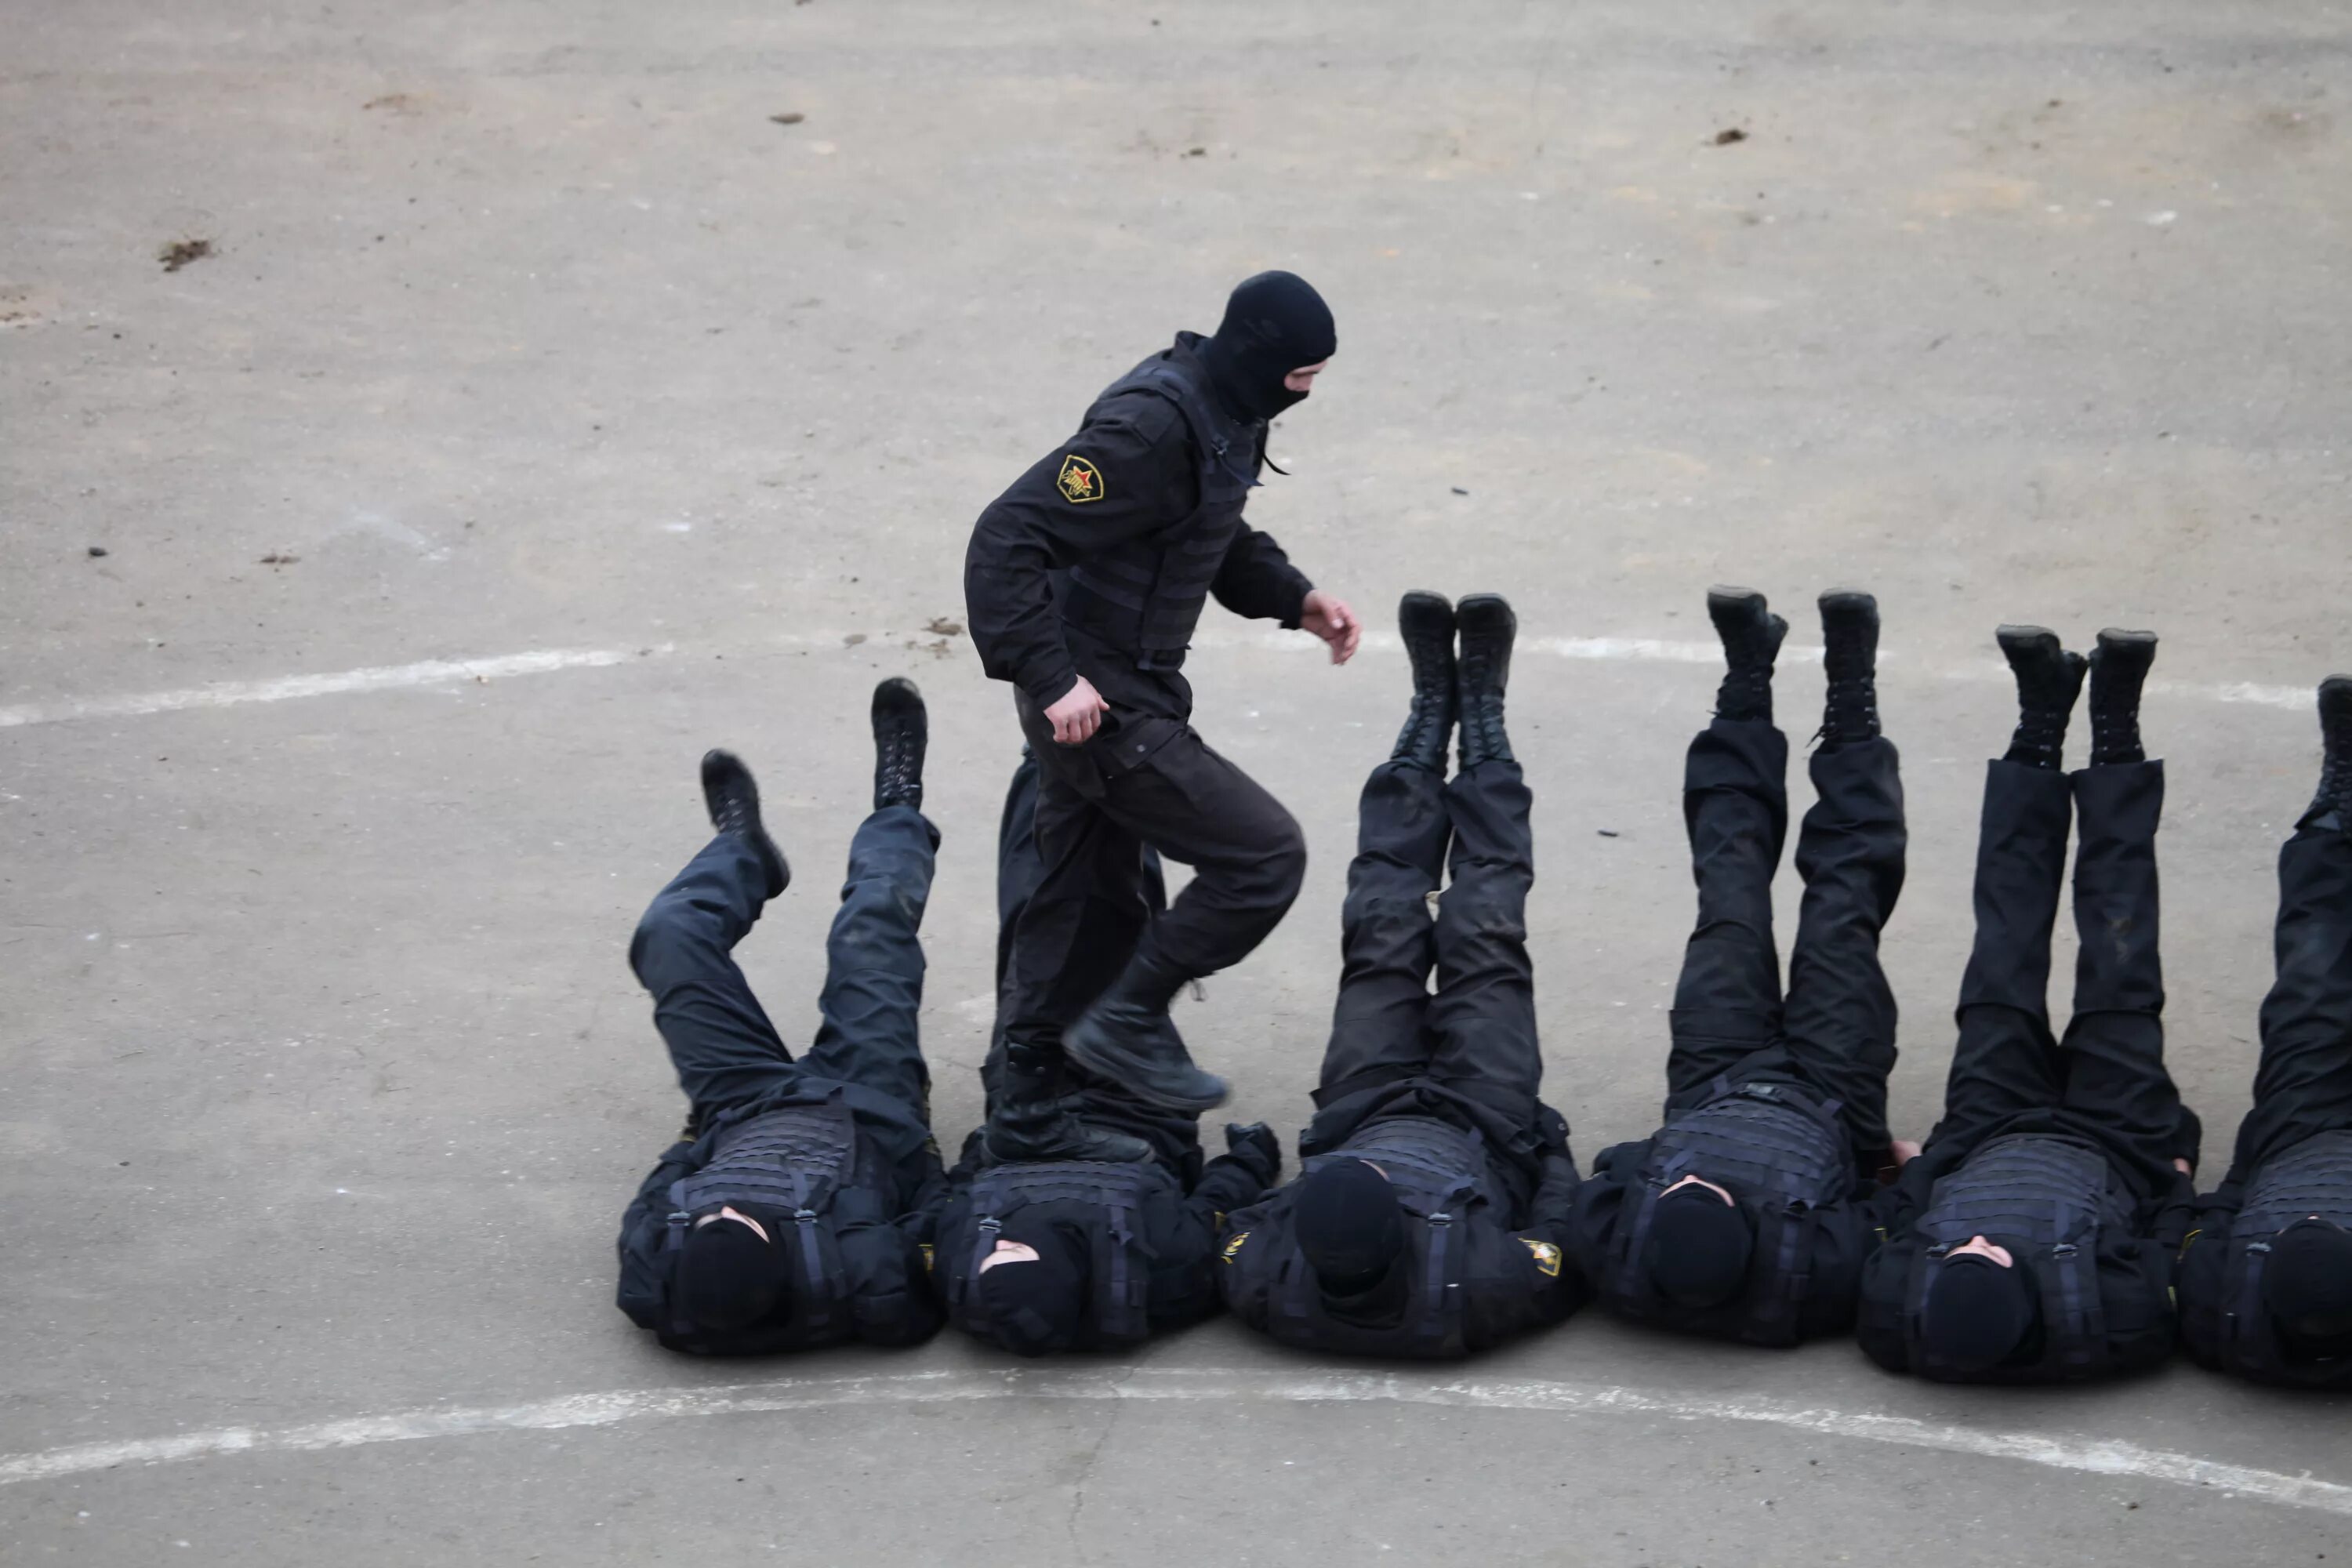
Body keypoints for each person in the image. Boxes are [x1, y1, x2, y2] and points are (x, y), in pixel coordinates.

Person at [964, 270, 1362, 1160]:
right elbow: (1006, 536)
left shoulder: (1226, 408)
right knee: (1263, 852)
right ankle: (1129, 1021)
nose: (1305, 394)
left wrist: (1294, 598)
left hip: (1117, 686)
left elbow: (1208, 529)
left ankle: (1027, 1117)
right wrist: (1052, 675)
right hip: (1097, 702)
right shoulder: (1148, 428)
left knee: (1078, 906)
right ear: (1263, 360)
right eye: (1302, 376)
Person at [1218, 593, 1586, 1357]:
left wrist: (1300, 1166)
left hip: (1361, 1108)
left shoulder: (1267, 1279)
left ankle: (1425, 722)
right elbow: (1557, 1238)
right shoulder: (1473, 1290)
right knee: (1485, 919)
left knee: (1381, 920)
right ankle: (1482, 717)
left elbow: (1237, 1228)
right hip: (1486, 1120)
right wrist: (1548, 1148)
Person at [1857, 626, 2201, 1383]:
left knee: (2002, 954)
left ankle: (2040, 721)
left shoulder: (1894, 1318)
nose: (1974, 1243)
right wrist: (2177, 1181)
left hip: (1985, 1131)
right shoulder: (2118, 1326)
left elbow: (1891, 1224)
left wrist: (1913, 1166)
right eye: (1991, 1256)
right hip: (2118, 1140)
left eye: (1961, 1253)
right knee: (2120, 959)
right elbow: (2170, 1248)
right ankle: (2117, 725)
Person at [1571, 587, 1909, 1346]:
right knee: (1842, 906)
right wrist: (1906, 1163)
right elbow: (1892, 1226)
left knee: (1729, 888)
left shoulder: (1619, 1260)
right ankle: (1851, 688)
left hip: (1711, 1079)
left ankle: (1745, 678)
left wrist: (1657, 1154)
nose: (1687, 1183)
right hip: (1834, 1096)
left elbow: (1599, 1176)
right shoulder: (1809, 1290)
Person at [614, 680, 948, 1355]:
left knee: (669, 933)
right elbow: (940, 1224)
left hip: (740, 1109)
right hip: (869, 1106)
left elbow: (652, 1199)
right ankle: (897, 808)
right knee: (873, 923)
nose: (727, 1206)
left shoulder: (656, 1278)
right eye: (744, 1218)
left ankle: (744, 853)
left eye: (713, 1213)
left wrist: (692, 1148)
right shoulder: (864, 1278)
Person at [935, 753, 1284, 1356]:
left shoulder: (966, 1275)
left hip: (1033, 1101)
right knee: (1123, 923)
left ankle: (1050, 769)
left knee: (1037, 925)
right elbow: (1213, 1210)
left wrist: (983, 1143)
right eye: (1014, 1250)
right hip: (1134, 1107)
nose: (999, 1245)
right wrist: (1252, 1157)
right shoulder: (1165, 1282)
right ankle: (1097, 776)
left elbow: (953, 1195)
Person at [2179, 677, 2352, 1387]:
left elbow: (2208, 1226)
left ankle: (2336, 807)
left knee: (2312, 976)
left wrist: (2252, 1166)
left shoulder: (2221, 1321)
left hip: (2299, 1134)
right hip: (2297, 1137)